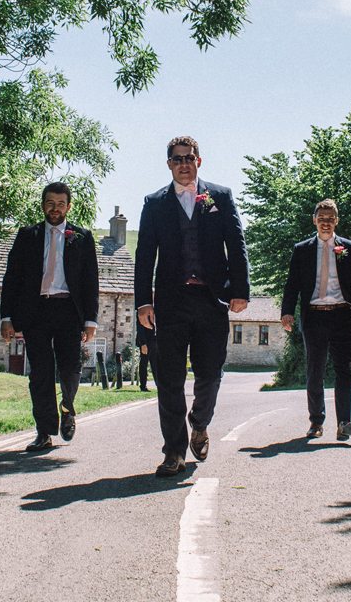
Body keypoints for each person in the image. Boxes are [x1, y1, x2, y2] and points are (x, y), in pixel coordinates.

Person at [135, 136, 250, 477]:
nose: (184, 163)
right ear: (168, 164)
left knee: (210, 373)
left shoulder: (221, 196)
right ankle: (174, 452)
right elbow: (144, 255)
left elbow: (236, 245)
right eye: (177, 158)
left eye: (189, 157)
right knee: (169, 379)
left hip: (212, 299)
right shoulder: (154, 203)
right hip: (171, 302)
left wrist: (240, 290)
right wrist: (143, 300)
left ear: (199, 161)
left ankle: (199, 423)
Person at [1, 182, 99, 452]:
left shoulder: (82, 236)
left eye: (60, 204)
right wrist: (6, 317)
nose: (55, 209)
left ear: (68, 206)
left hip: (69, 311)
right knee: (40, 373)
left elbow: (91, 282)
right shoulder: (26, 236)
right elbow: (12, 278)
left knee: (70, 368)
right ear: (43, 205)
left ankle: (68, 407)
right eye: (50, 203)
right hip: (36, 312)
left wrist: (91, 320)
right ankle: (44, 431)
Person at [280, 199, 351, 441]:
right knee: (315, 371)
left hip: (343, 315)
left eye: (330, 219)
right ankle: (316, 422)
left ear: (336, 221)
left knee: (344, 370)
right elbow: (292, 285)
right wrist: (286, 312)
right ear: (314, 220)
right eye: (322, 218)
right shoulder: (302, 250)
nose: (326, 222)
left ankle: (344, 422)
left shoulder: (349, 248)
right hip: (314, 317)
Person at [136, 322, 157, 392]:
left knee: (156, 364)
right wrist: (143, 344)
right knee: (144, 363)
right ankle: (143, 385)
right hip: (146, 342)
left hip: (155, 341)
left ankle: (159, 385)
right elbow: (140, 329)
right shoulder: (144, 312)